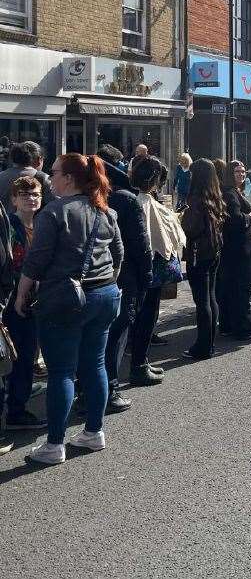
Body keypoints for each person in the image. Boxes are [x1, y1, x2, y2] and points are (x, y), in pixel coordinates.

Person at [13, 154, 123, 466]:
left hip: (65, 297)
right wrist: (107, 281)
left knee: (61, 371)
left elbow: (37, 259)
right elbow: (119, 253)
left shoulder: (55, 212)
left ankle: (55, 444)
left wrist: (22, 293)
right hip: (105, 294)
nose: (50, 176)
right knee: (95, 364)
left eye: (55, 172)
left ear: (70, 178)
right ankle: (93, 431)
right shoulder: (106, 211)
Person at [95, 145, 153, 412]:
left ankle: (90, 390)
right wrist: (147, 275)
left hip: (93, 277)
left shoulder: (87, 197)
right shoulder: (126, 199)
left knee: (96, 339)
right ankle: (109, 390)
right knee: (115, 336)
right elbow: (140, 244)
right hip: (122, 276)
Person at [128, 157, 183, 386]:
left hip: (138, 267)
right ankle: (139, 364)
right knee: (146, 314)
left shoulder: (132, 198)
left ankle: (142, 360)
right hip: (148, 267)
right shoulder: (141, 202)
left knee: (141, 314)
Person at [2, 177, 46, 431]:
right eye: (25, 194)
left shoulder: (41, 225)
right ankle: (16, 411)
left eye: (36, 194)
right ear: (14, 199)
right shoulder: (10, 226)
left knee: (27, 354)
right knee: (19, 355)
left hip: (34, 300)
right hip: (14, 302)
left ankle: (18, 398)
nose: (31, 198)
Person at [180, 159, 225, 361]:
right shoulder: (215, 196)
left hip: (199, 252)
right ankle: (210, 343)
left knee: (202, 301)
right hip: (213, 250)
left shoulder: (196, 199)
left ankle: (203, 346)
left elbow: (192, 229)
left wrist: (182, 218)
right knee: (211, 296)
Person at [213, 160, 251, 340]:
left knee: (229, 288)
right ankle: (241, 327)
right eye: (237, 172)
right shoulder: (230, 193)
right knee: (238, 289)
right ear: (229, 174)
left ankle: (227, 325)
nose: (241, 175)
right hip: (238, 248)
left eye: (243, 172)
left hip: (237, 248)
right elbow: (235, 219)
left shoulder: (233, 191)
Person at [0, 141, 54, 214]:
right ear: (39, 160)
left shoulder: (1, 176)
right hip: (33, 224)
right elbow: (54, 207)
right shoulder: (43, 178)